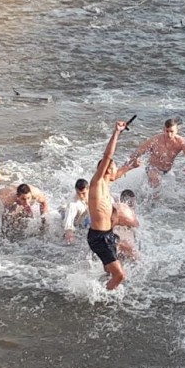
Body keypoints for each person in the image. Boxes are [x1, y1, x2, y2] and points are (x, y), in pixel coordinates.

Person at [87, 120, 128, 290]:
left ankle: (102, 285)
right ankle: (104, 298)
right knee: (120, 275)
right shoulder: (96, 182)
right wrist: (117, 132)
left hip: (108, 234)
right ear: (106, 170)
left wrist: (131, 166)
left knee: (111, 268)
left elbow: (117, 174)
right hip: (99, 237)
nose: (116, 170)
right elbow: (108, 156)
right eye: (113, 168)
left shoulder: (106, 183)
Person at [128, 118, 185, 188]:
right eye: (167, 131)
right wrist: (131, 162)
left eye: (171, 131)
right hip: (152, 168)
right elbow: (139, 151)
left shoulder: (181, 143)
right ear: (163, 129)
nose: (169, 134)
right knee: (156, 180)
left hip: (167, 172)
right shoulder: (155, 139)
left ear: (176, 131)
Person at [113, 189, 140, 260]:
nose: (134, 205)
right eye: (132, 203)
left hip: (116, 241)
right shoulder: (127, 213)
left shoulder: (115, 209)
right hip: (124, 242)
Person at [62, 178, 90, 244]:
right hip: (68, 214)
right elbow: (68, 224)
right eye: (78, 193)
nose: (81, 196)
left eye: (83, 193)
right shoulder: (73, 203)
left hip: (84, 213)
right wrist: (69, 234)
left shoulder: (94, 192)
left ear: (88, 189)